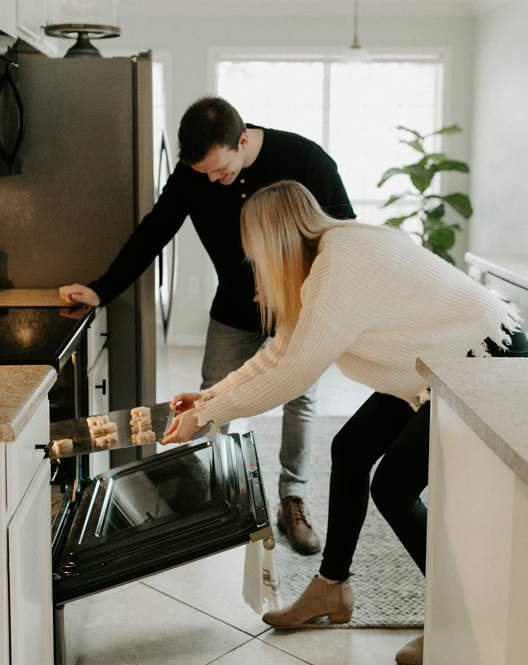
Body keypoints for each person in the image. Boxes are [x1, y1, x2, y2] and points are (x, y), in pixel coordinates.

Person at [161, 180, 528, 665]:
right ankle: (332, 588)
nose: (253, 262)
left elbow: (292, 373)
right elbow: (282, 351)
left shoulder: (339, 269)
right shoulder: (330, 254)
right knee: (350, 448)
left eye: (253, 250)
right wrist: (209, 396)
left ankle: (452, 620)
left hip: (481, 359)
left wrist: (206, 415)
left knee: (393, 488)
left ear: (273, 240)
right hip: (436, 364)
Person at [59, 96, 355, 555]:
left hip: (299, 305)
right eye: (205, 175)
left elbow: (343, 232)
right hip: (234, 308)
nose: (215, 181)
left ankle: (290, 499)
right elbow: (154, 231)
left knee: (301, 397)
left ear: (242, 140)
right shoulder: (196, 173)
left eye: (221, 170)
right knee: (213, 395)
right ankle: (222, 496)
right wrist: (102, 288)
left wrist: (301, 282)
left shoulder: (304, 158)